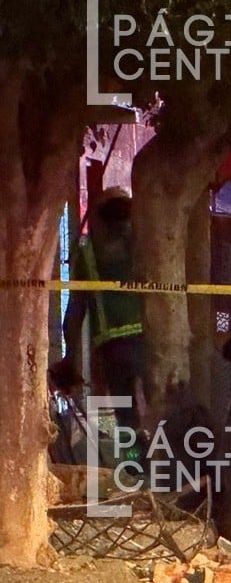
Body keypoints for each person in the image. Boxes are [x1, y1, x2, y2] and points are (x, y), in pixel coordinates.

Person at [54, 187, 145, 441]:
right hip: (150, 340)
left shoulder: (88, 254)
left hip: (113, 347)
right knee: (158, 409)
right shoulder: (145, 245)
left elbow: (75, 310)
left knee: (127, 416)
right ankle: (164, 466)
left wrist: (69, 358)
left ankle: (136, 467)